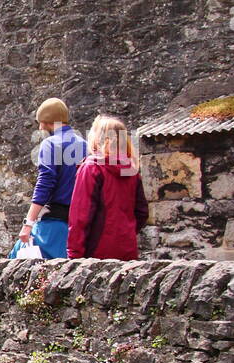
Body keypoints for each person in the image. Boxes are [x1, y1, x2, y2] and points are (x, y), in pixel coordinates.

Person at [10, 97, 87, 259]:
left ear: (47, 121)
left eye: (41, 122)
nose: (39, 127)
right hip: (79, 225)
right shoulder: (85, 145)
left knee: (16, 262)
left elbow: (45, 183)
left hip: (53, 223)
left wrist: (28, 223)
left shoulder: (50, 144)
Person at [67, 115, 149, 260]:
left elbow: (81, 216)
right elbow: (141, 212)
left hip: (96, 252)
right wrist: (126, 232)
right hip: (127, 249)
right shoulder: (131, 168)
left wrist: (74, 255)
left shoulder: (92, 167)